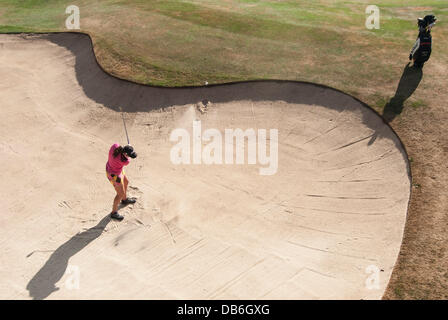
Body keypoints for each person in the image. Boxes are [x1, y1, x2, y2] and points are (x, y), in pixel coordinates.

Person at [105, 143, 137, 220]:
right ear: (125, 154)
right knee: (120, 194)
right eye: (129, 155)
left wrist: (128, 147)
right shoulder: (125, 161)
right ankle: (114, 213)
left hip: (114, 169)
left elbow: (117, 145)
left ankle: (124, 200)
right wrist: (129, 147)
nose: (129, 157)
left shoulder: (115, 146)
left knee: (126, 182)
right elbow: (127, 160)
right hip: (113, 175)